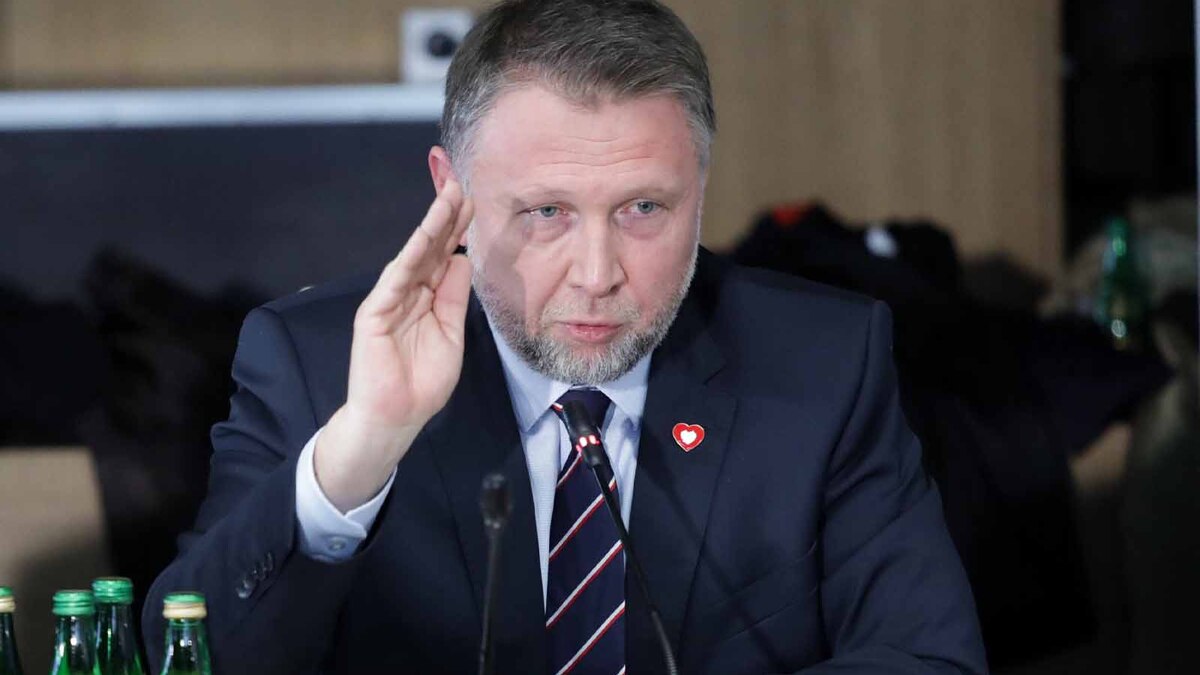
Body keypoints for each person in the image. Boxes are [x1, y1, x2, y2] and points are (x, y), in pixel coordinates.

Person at [143, 1, 987, 672]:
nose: (597, 273)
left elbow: (927, 656)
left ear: (700, 188)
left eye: (644, 208)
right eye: (546, 211)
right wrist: (359, 453)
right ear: (452, 194)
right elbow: (190, 657)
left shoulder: (823, 362)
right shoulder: (317, 361)